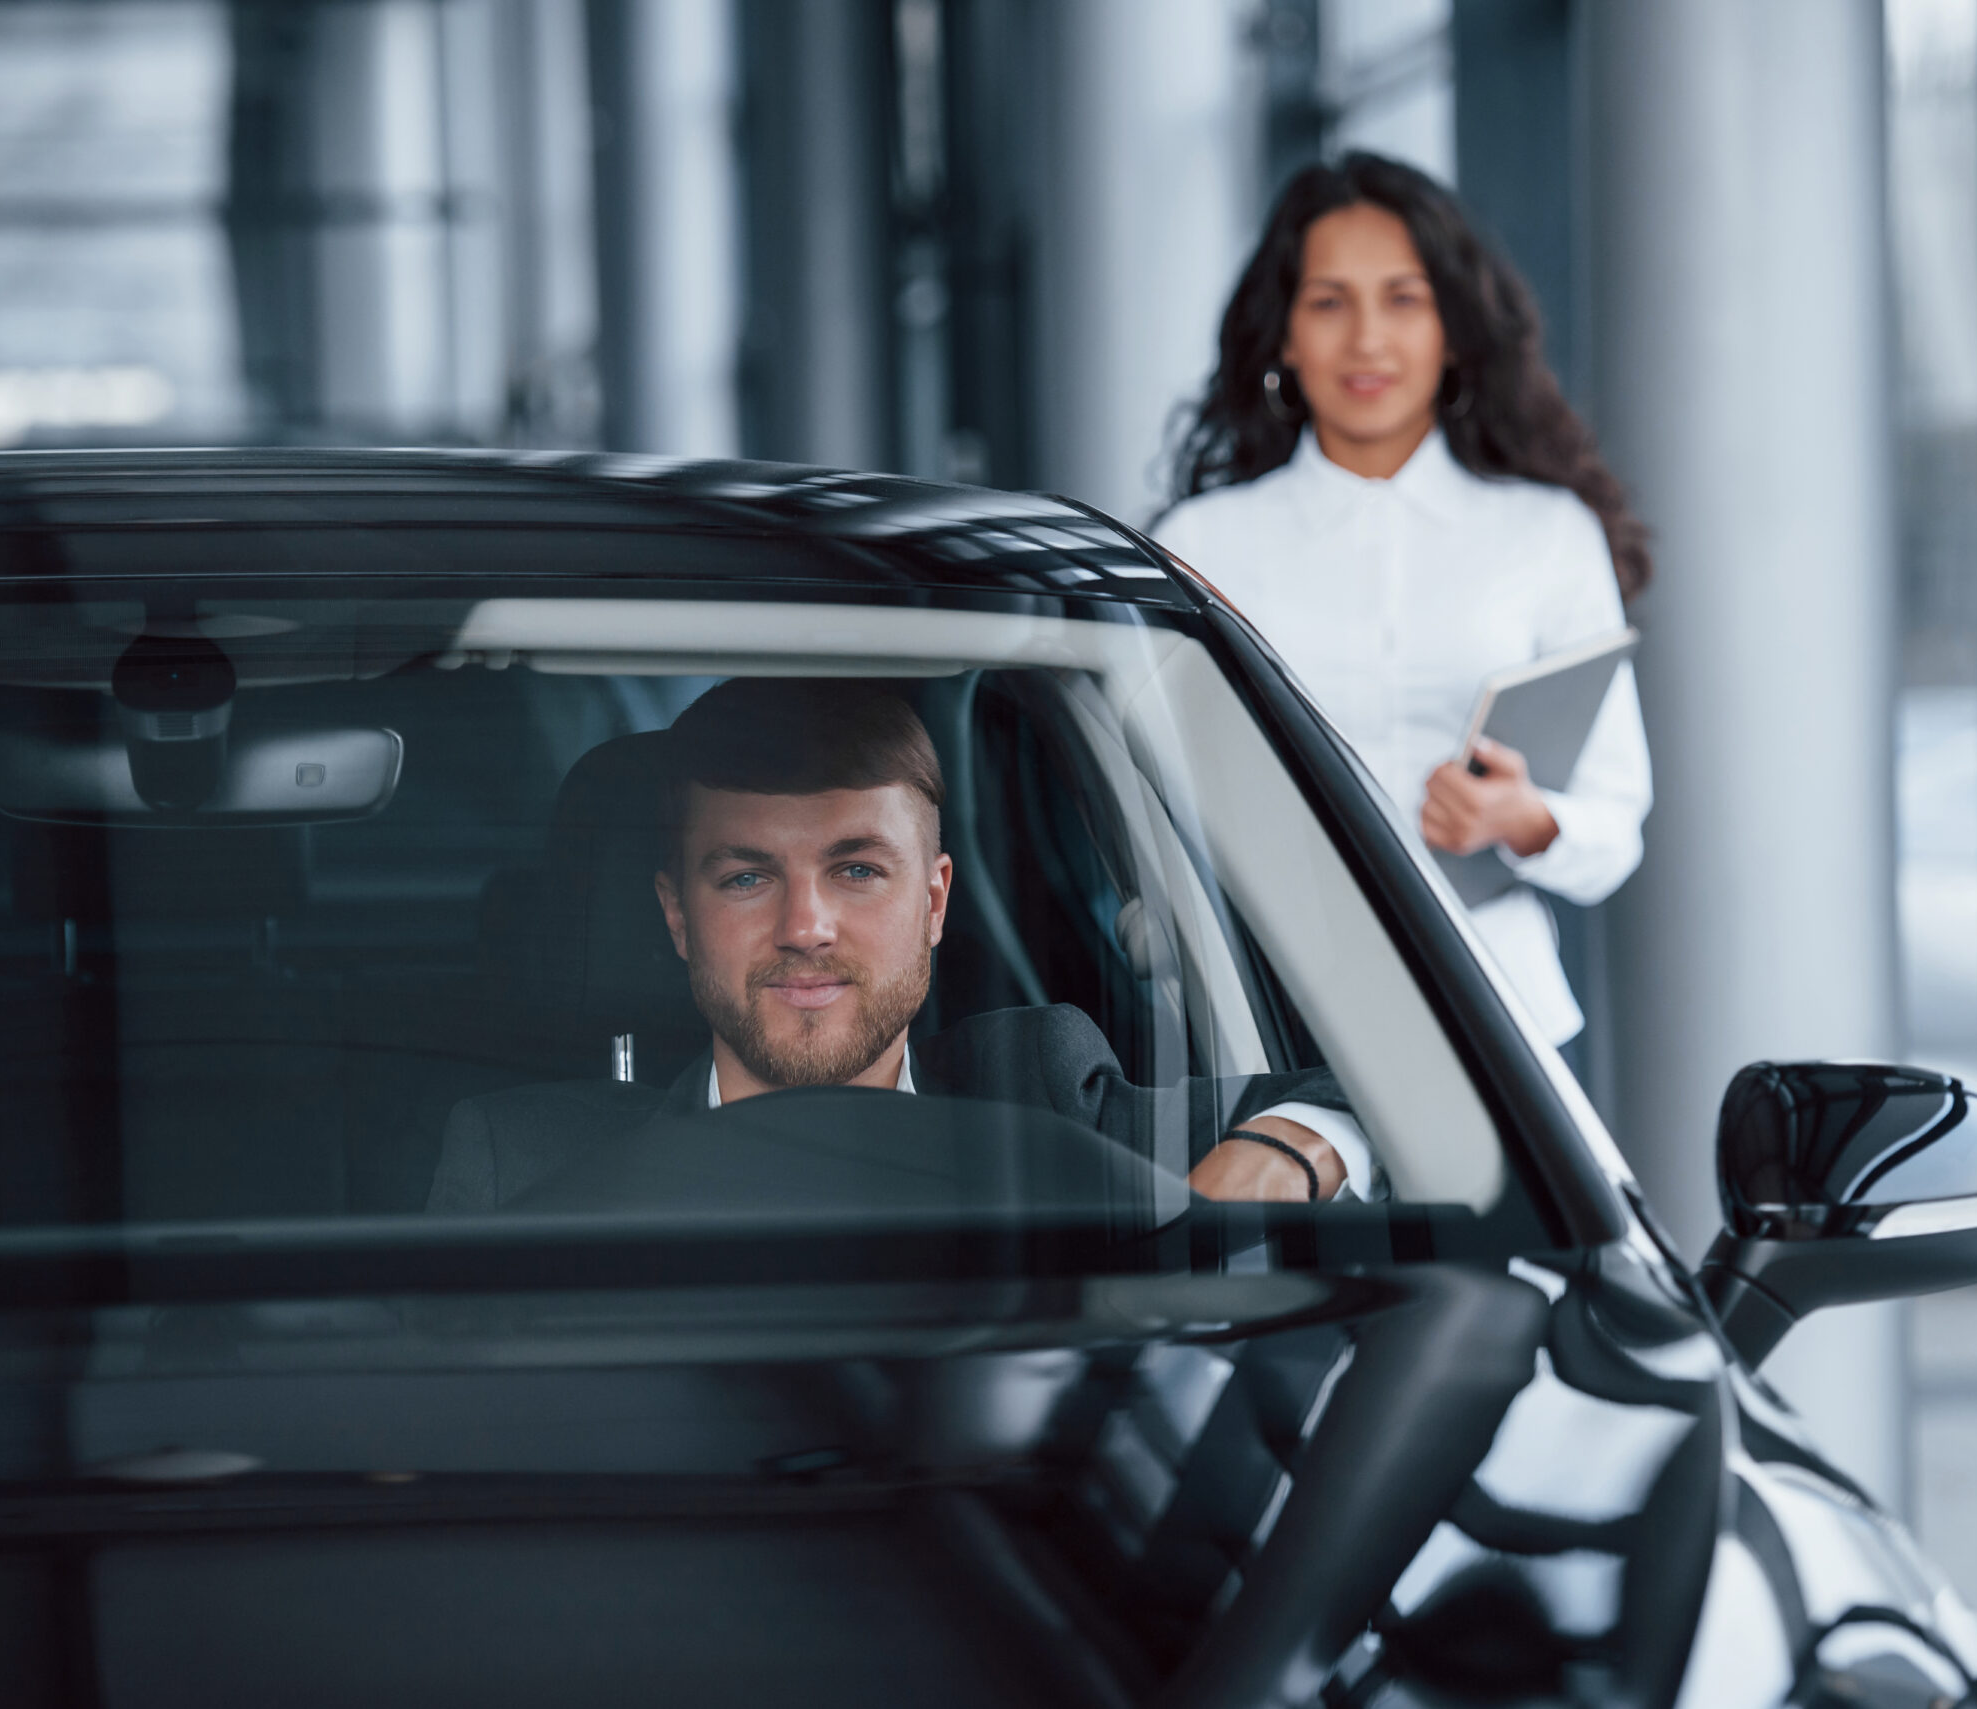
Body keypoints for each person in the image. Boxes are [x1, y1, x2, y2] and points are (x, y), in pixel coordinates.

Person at [426, 677, 1373, 1213]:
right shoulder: (525, 1163)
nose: (805, 927)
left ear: (934, 899)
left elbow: (1393, 1093)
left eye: (856, 870)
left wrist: (1285, 1152)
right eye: (747, 877)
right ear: (676, 915)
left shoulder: (1042, 1090)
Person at [1155, 153, 1651, 1047]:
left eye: (1403, 299)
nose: (1368, 339)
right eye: (1329, 302)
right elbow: (1151, 804)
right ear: (1284, 335)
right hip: (1264, 1015)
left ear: (1453, 331)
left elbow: (1614, 826)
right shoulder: (1201, 543)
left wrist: (1525, 819)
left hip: (1498, 1018)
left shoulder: (1547, 533)